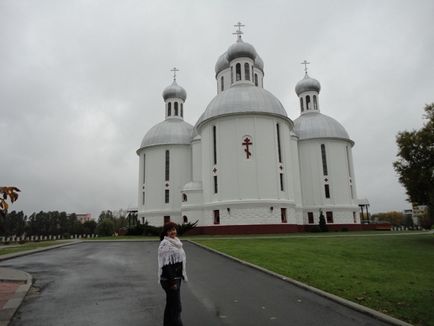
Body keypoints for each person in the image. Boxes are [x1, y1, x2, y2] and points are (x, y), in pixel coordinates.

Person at [158, 222, 187, 326]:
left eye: (174, 229)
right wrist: (173, 282)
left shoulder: (176, 241)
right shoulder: (165, 244)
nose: (173, 232)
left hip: (175, 278)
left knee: (170, 305)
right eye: (170, 230)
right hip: (170, 280)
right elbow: (166, 265)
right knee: (176, 307)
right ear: (166, 232)